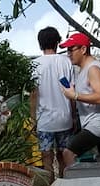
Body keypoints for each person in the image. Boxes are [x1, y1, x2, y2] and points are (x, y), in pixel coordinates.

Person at [58, 32, 100, 171]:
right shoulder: (85, 70)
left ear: (83, 49)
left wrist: (76, 95)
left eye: (71, 50)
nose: (68, 54)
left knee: (68, 152)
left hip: (99, 124)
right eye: (67, 50)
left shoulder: (93, 69)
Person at [30, 27, 75, 177]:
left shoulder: (34, 65)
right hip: (64, 117)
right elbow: (72, 90)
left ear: (39, 44)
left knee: (46, 158)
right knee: (63, 155)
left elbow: (33, 94)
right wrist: (74, 115)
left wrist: (32, 118)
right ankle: (64, 185)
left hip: (44, 120)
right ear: (57, 42)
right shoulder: (66, 62)